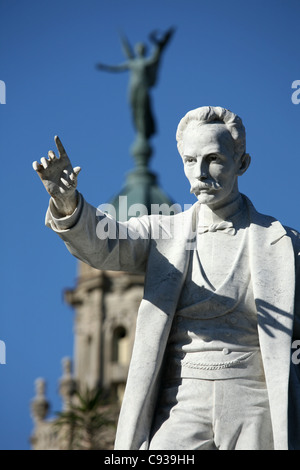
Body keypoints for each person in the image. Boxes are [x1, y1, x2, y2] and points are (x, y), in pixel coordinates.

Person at [32, 106, 300, 450]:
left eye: (213, 158)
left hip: (254, 402)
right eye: (190, 161)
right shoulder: (163, 233)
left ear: (242, 164)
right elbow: (104, 244)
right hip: (181, 402)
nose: (200, 173)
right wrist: (68, 202)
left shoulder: (284, 244)